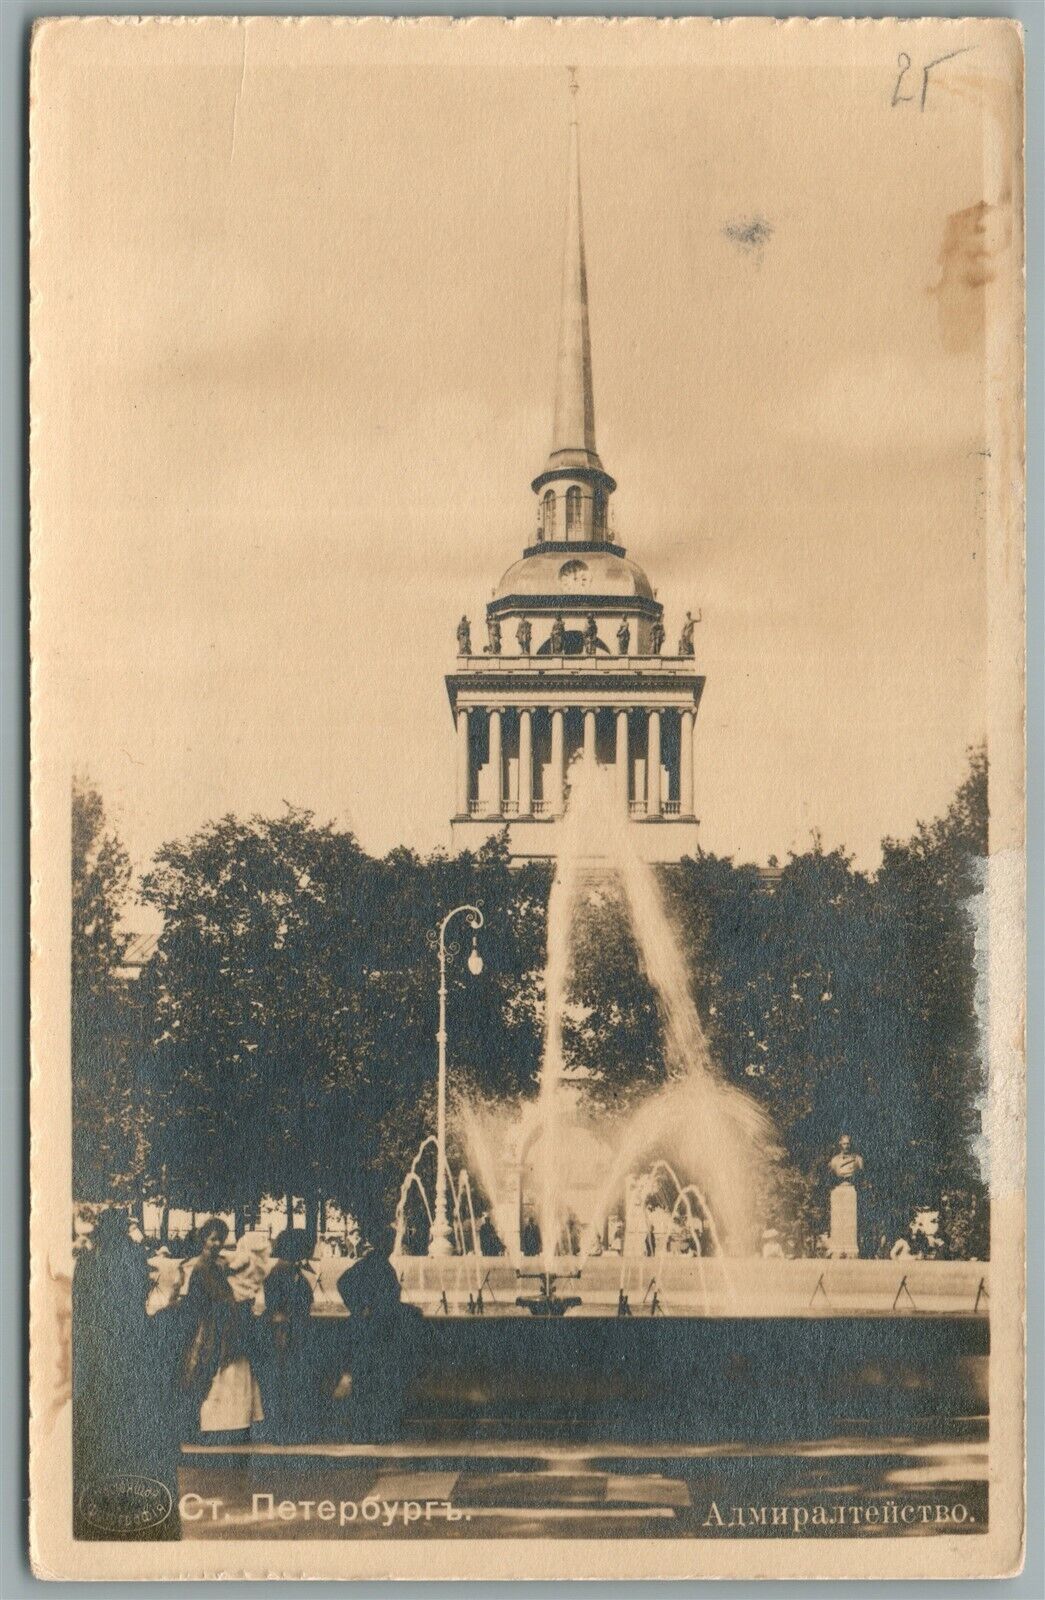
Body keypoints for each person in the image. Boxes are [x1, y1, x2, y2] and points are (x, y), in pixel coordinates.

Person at [73, 1208, 179, 1539]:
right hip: (132, 1337)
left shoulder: (90, 1260)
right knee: (133, 1403)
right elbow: (141, 1296)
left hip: (98, 1339)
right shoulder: (133, 1256)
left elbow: (80, 1303)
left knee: (100, 1404)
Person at [177, 1218, 263, 1441]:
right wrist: (238, 1302)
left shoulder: (217, 1264)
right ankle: (200, 1424)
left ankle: (219, 1423)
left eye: (221, 1240)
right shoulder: (203, 1267)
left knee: (213, 1373)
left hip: (220, 1323)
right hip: (208, 1326)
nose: (217, 1244)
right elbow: (216, 1297)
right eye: (213, 1239)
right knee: (204, 1371)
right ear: (203, 1239)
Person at [337, 1252, 426, 1442]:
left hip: (375, 1338)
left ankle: (367, 1430)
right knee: (381, 1384)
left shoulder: (373, 1263)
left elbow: (343, 1283)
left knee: (370, 1385)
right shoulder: (375, 1263)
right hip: (379, 1339)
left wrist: (358, 1307)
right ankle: (380, 1428)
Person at [257, 1229, 320, 1442]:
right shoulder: (281, 1271)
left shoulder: (287, 1270)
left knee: (286, 1379)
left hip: (289, 1330)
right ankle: (282, 1429)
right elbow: (278, 1306)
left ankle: (284, 1428)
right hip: (284, 1333)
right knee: (285, 1379)